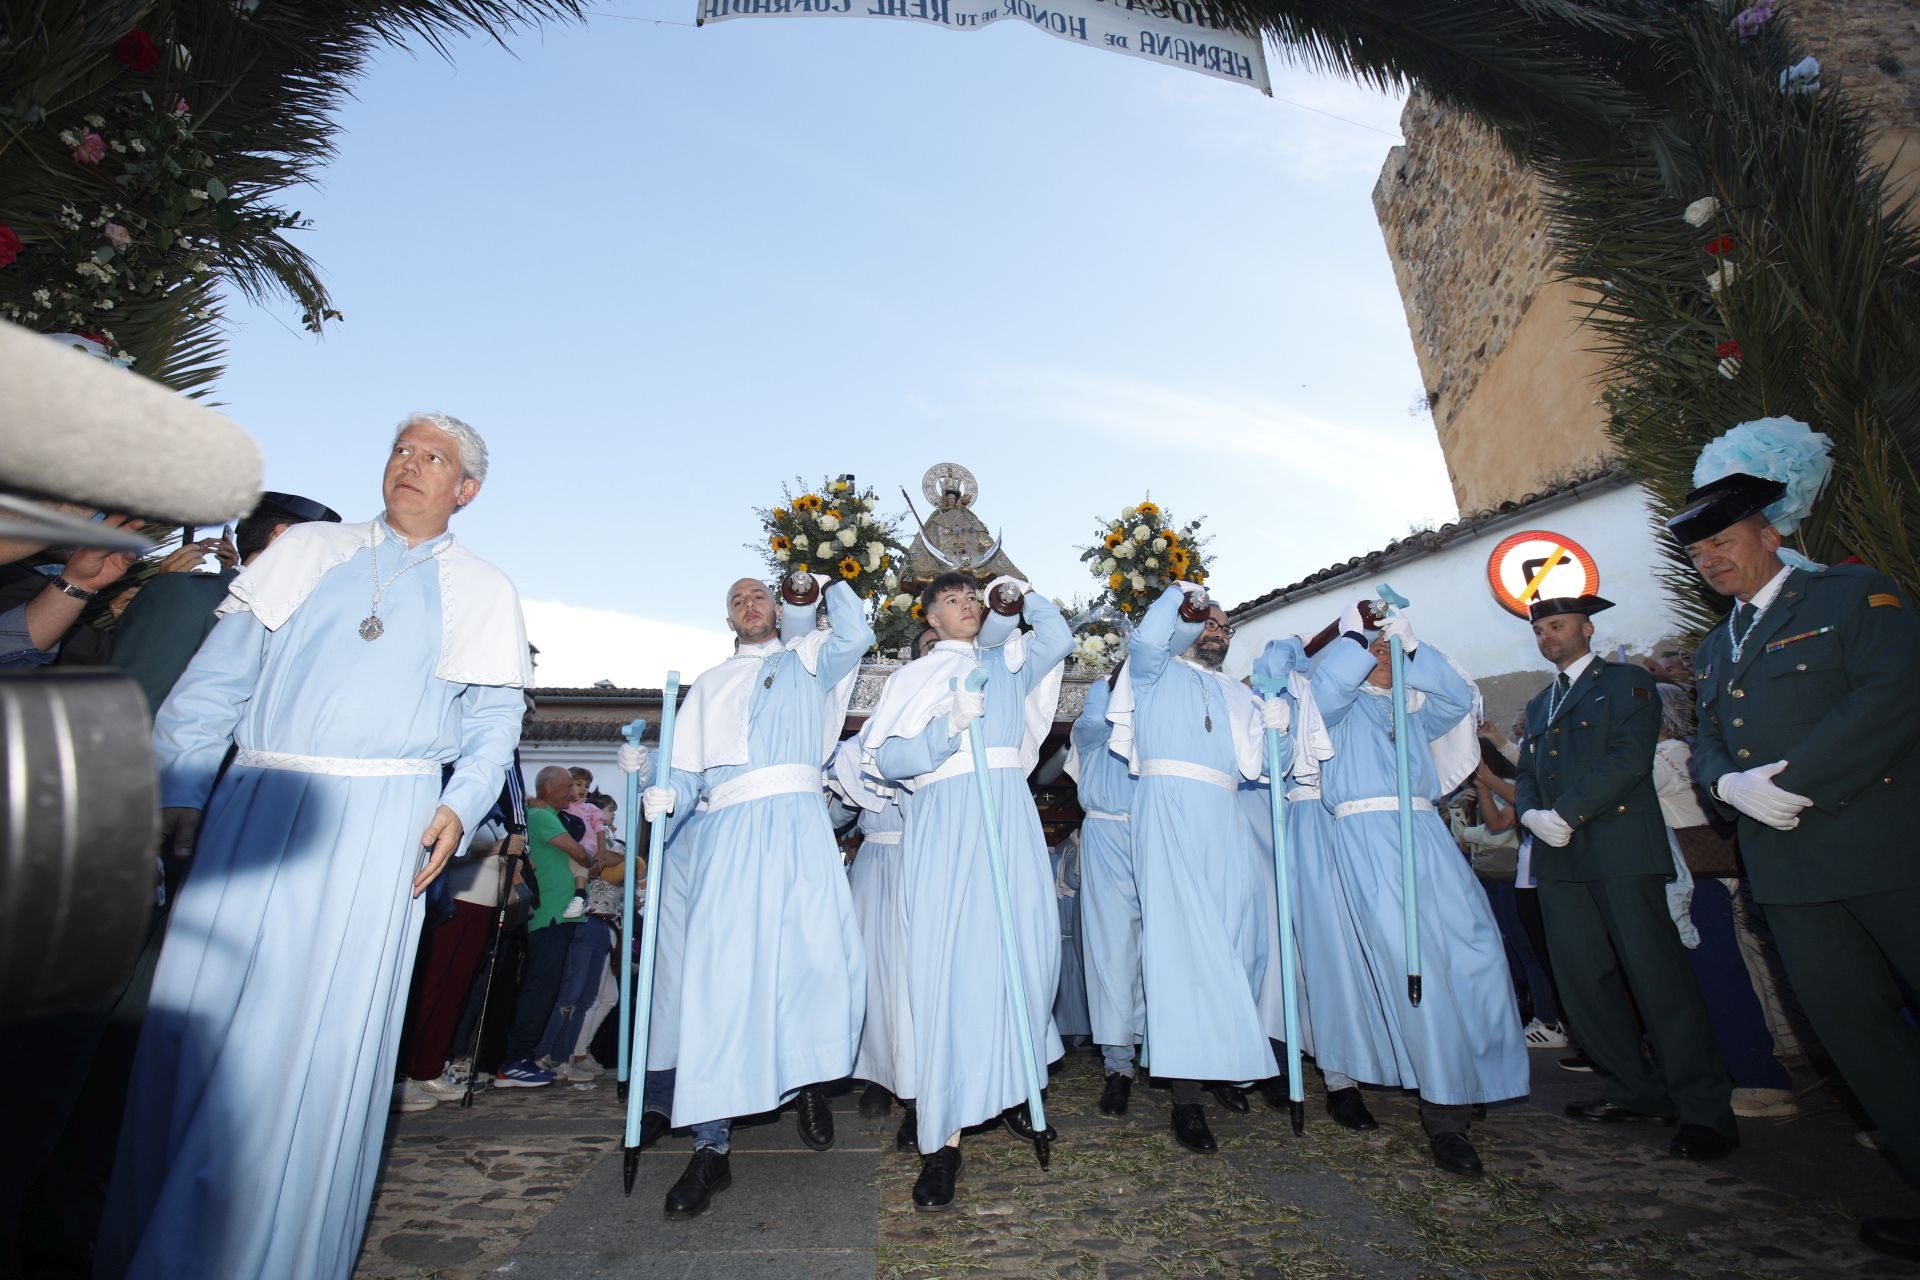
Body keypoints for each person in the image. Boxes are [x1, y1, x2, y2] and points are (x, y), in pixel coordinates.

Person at [97, 413, 528, 1280]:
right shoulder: (307, 551)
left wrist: (461, 804)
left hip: (382, 827)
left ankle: (274, 1248)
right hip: (258, 803)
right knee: (207, 1021)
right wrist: (181, 793)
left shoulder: (486, 590)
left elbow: (491, 728)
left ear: (466, 490)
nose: (410, 465)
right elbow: (213, 687)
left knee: (317, 1040)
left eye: (433, 458)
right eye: (401, 450)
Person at [1670, 468, 1920, 1261]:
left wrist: (1793, 784)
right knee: (1862, 1043)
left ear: (1770, 535)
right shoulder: (1716, 648)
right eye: (1700, 551)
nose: (1711, 559)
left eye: (1724, 540)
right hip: (1791, 876)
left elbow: (1891, 696)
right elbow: (1709, 740)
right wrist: (1728, 784)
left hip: (1882, 850)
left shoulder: (1853, 599)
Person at [631, 574, 870, 1220]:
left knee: (816, 964)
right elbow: (684, 770)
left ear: (779, 606)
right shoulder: (706, 686)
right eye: (735, 600)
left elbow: (857, 634)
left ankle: (810, 1079)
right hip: (731, 832)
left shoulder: (809, 660)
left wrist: (824, 583)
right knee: (723, 981)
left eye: (759, 595)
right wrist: (665, 795)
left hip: (798, 825)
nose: (748, 604)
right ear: (728, 618)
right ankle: (712, 1147)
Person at [863, 571, 1070, 1212]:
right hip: (947, 813)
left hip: (1006, 811)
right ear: (928, 617)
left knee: (1022, 960)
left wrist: (1019, 592)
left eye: (973, 598)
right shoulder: (912, 679)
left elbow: (1058, 636)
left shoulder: (1007, 663)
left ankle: (1009, 1086)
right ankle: (943, 1141)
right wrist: (944, 729)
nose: (968, 606)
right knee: (946, 970)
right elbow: (886, 762)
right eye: (953, 600)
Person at [1514, 594, 1737, 1160]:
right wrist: (1533, 813)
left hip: (1618, 849)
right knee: (1583, 984)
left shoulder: (1625, 684)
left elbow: (1626, 757)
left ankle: (1704, 1109)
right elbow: (1529, 771)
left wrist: (1564, 814)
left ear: (1587, 629)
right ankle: (1634, 1089)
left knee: (1658, 979)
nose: (1548, 637)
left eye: (1558, 626)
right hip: (1560, 859)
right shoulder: (1540, 704)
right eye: (1540, 630)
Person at [1311, 600, 1528, 1177]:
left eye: (1389, 650)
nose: (1383, 658)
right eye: (1373, 650)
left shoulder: (1410, 712)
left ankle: (1470, 1069)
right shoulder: (1331, 710)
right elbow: (1325, 693)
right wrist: (1356, 645)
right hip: (1367, 838)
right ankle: (1444, 1117)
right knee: (1418, 967)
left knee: (1474, 950)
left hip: (1426, 833)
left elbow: (1458, 699)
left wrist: (1413, 650)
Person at [1104, 584, 1285, 1154]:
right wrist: (1180, 596)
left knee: (1238, 941)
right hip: (1169, 806)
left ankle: (1227, 1060)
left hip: (1226, 813)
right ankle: (1186, 1097)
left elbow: (1263, 767)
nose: (1216, 630)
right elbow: (1150, 638)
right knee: (1183, 947)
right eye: (1207, 622)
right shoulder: (1153, 673)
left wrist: (1275, 726)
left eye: (1224, 626)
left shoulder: (1237, 693)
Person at [1651, 683, 1797, 1119]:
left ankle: (1761, 1081)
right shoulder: (1682, 754)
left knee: (1719, 981)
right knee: (1721, 979)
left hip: (1697, 883)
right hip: (1704, 879)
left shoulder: (1663, 758)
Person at [1248, 637, 1377, 1131]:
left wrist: (1360, 638)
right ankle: (1322, 1075)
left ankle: (1356, 1068)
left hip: (1353, 831)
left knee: (1350, 955)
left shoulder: (1354, 697)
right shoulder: (1283, 698)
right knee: (1299, 957)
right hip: (1296, 825)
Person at [113, 491, 341, 713]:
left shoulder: (301, 622)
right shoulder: (188, 594)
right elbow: (135, 704)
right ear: (282, 537)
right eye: (323, 546)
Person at [494, 765, 600, 1088]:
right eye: (568, 785)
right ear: (550, 787)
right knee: (539, 990)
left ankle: (522, 1058)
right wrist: (585, 857)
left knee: (546, 989)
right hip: (549, 916)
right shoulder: (541, 817)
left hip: (560, 916)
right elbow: (578, 852)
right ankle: (515, 1061)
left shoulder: (551, 815)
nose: (572, 792)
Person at [1069, 666, 1143, 1117]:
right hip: (1108, 834)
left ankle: (1181, 1063)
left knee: (1167, 950)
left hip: (1160, 830)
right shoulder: (1100, 720)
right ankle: (1119, 1067)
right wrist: (1108, 688)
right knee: (1113, 954)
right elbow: (1091, 727)